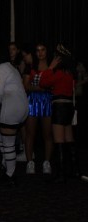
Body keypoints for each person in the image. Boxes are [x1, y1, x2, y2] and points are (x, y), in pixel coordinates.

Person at [39, 44, 78, 181]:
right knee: (69, 139)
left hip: (60, 106)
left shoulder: (58, 72)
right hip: (69, 107)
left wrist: (50, 68)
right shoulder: (70, 73)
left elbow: (43, 82)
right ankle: (74, 170)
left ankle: (61, 173)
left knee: (59, 141)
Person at [0, 42, 29, 184]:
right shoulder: (10, 67)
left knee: (8, 142)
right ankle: (7, 163)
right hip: (21, 106)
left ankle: (10, 174)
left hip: (12, 107)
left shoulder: (0, 68)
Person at [22, 42, 53, 175]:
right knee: (30, 133)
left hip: (47, 101)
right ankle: (30, 163)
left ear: (47, 51)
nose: (40, 53)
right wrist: (41, 88)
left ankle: (47, 162)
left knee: (48, 134)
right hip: (33, 101)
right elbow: (26, 86)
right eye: (37, 50)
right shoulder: (30, 66)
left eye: (43, 49)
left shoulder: (53, 67)